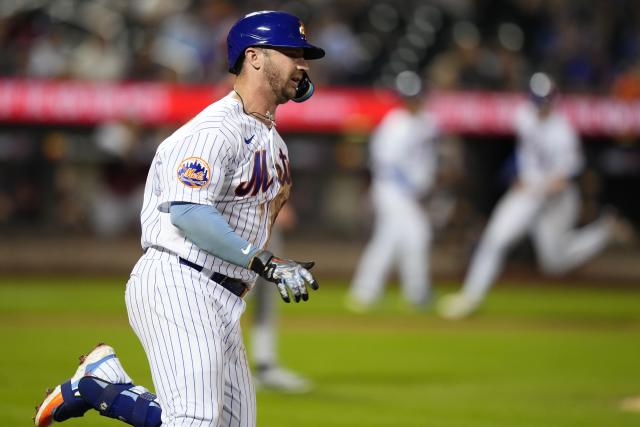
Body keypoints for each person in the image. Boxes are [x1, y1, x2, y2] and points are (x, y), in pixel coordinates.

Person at [34, 10, 324, 427]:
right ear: (255, 57)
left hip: (224, 296)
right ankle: (101, 390)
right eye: (292, 52)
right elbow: (189, 214)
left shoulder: (272, 140)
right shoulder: (213, 131)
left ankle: (103, 382)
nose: (303, 64)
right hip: (180, 280)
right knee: (194, 420)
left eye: (305, 55)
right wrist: (266, 261)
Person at [437, 72, 623, 320]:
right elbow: (524, 154)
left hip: (556, 200)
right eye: (537, 99)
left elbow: (563, 179)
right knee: (494, 240)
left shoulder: (562, 132)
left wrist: (534, 185)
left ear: (553, 100)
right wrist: (520, 176)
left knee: (554, 264)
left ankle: (603, 231)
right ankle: (470, 297)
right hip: (528, 194)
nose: (540, 105)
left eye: (544, 100)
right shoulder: (524, 115)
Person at [345, 70, 439, 312]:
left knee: (390, 240)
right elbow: (384, 163)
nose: (414, 101)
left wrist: (422, 187)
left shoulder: (428, 122)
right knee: (417, 235)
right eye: (410, 97)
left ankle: (365, 292)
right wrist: (411, 188)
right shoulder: (395, 124)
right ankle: (415, 292)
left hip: (408, 193)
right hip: (391, 190)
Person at [250, 203, 312, 392]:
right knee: (225, 296)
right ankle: (216, 369)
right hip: (234, 216)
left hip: (264, 218)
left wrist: (280, 200)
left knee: (266, 296)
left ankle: (265, 365)